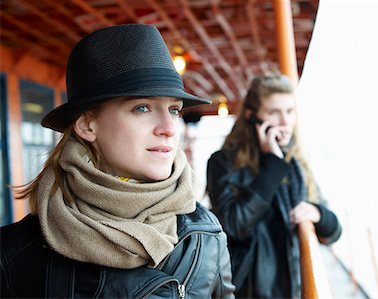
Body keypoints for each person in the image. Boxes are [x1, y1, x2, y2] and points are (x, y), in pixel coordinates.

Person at [1, 24, 235, 298]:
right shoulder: (13, 255)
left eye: (174, 110)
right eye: (142, 107)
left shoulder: (206, 233)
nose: (169, 128)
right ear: (88, 124)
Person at [206, 73, 342, 298]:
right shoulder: (222, 162)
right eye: (274, 112)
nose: (285, 121)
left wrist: (318, 213)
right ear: (252, 116)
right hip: (248, 291)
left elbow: (334, 231)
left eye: (289, 111)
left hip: (294, 288)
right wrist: (273, 164)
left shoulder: (297, 162)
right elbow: (234, 224)